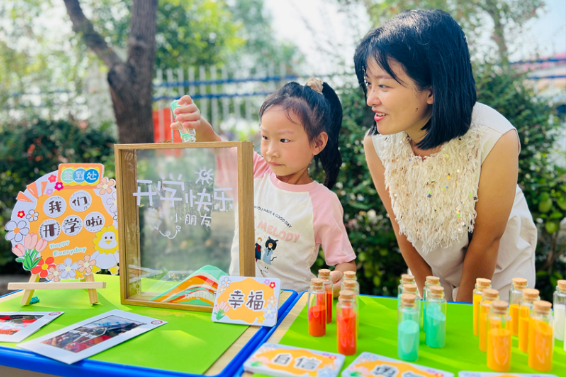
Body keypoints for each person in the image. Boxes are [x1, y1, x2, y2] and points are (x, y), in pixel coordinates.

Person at [354, 9, 536, 302]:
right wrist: (432, 297)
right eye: (369, 83)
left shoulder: (494, 137)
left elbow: (487, 242)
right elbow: (398, 223)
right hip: (438, 283)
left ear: (433, 90)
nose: (370, 99)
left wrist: (459, 312)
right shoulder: (377, 144)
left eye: (384, 85)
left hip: (500, 282)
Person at [171, 78, 357, 292]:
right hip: (238, 302)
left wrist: (335, 280)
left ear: (317, 143)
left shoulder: (323, 201)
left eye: (284, 140)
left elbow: (345, 263)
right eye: (265, 137)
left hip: (291, 309)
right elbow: (213, 142)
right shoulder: (253, 171)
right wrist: (195, 123)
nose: (270, 150)